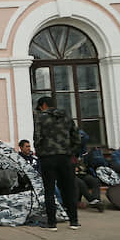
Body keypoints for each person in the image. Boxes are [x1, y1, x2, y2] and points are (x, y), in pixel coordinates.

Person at [33, 96, 81, 231]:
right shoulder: (66, 116)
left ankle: (52, 223)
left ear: (43, 105)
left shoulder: (40, 118)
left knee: (49, 190)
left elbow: (37, 137)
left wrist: (40, 151)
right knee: (69, 188)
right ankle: (74, 221)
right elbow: (76, 137)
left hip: (48, 158)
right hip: (65, 157)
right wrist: (71, 151)